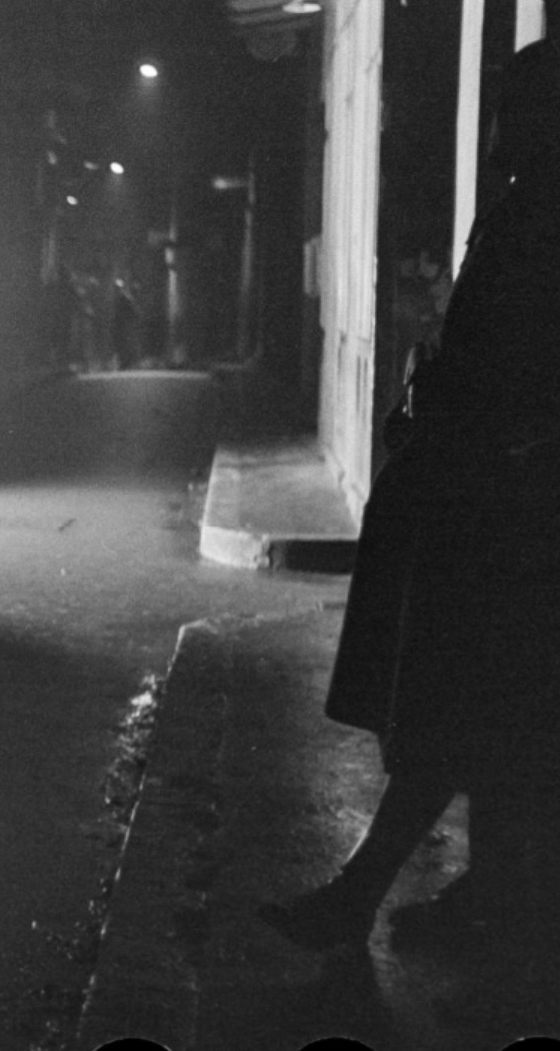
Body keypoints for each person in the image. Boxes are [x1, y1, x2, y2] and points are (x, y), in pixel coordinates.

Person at [258, 38, 560, 951]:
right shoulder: (518, 214)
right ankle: (480, 899)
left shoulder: (536, 223)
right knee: (484, 721)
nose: (497, 126)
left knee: (462, 713)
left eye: (513, 107)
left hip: (506, 513)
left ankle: (384, 903)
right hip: (491, 502)